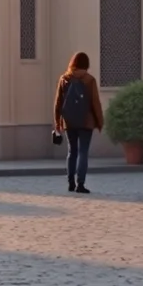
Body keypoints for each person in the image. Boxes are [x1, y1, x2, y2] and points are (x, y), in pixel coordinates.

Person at [53, 51, 104, 194]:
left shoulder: (64, 79)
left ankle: (70, 182)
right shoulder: (89, 80)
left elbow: (58, 103)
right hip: (86, 122)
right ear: (86, 64)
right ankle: (80, 184)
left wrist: (57, 122)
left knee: (72, 151)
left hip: (69, 122)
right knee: (83, 152)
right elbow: (95, 102)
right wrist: (99, 121)